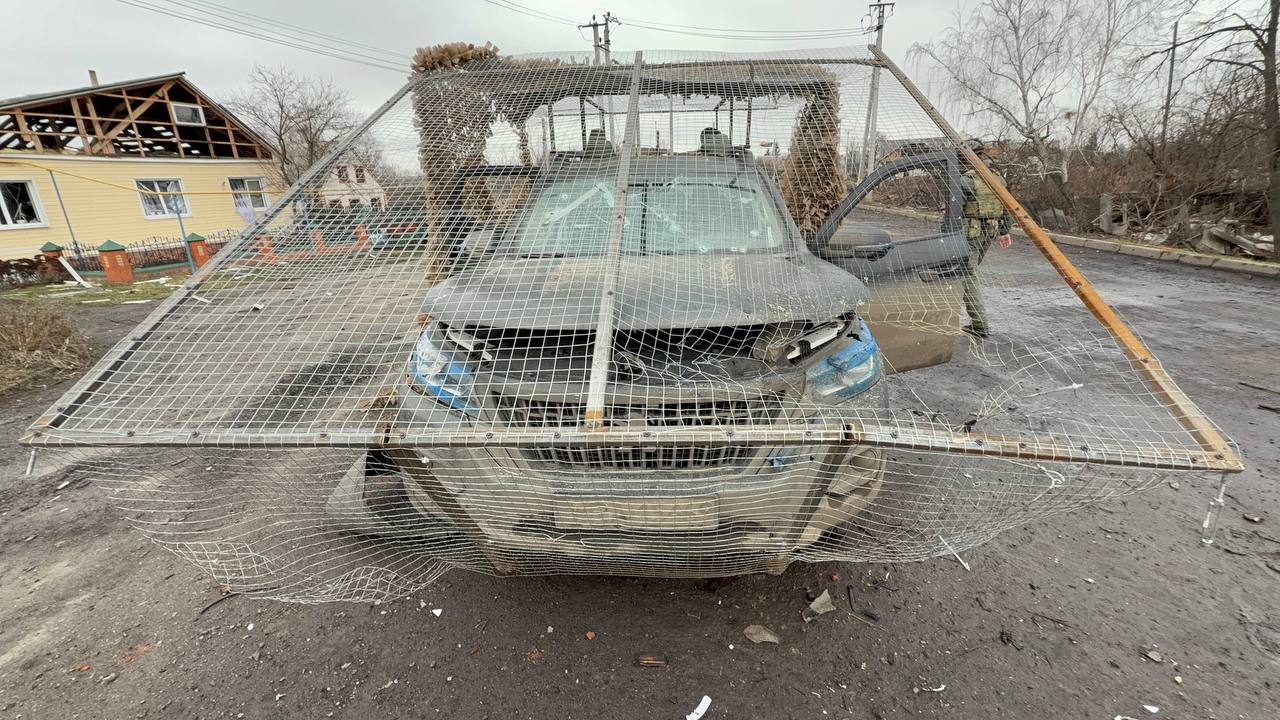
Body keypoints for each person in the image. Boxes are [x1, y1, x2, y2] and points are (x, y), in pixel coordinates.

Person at [958, 139, 1013, 338]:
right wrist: (1005, 231)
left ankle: (979, 324)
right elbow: (1007, 205)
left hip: (969, 233)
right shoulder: (997, 178)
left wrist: (945, 233)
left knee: (966, 274)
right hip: (989, 231)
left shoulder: (966, 180)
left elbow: (955, 211)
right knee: (966, 274)